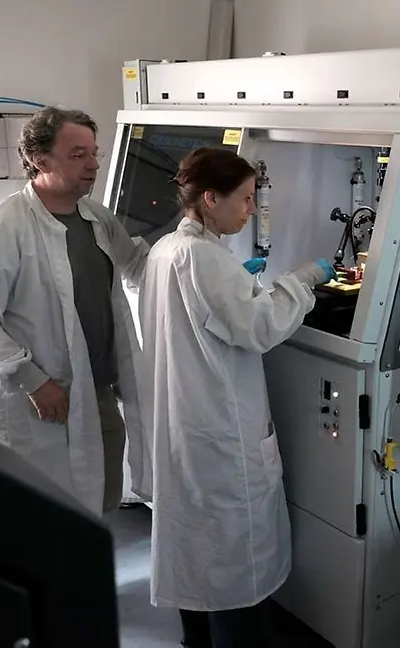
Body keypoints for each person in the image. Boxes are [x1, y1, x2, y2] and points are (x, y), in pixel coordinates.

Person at [138, 147, 335, 647]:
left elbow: (204, 313)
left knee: (194, 554)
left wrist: (238, 283)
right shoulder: (204, 258)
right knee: (233, 562)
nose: (251, 209)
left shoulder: (167, 249)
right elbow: (262, 326)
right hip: (220, 436)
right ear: (210, 198)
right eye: (245, 199)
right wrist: (305, 279)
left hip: (186, 429)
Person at [0, 106, 149, 516]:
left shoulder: (98, 219)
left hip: (98, 392)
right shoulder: (0, 227)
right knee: (43, 519)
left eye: (94, 153)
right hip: (38, 399)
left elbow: (140, 267)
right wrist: (33, 381)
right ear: (39, 160)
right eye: (78, 155)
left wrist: (195, 247)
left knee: (100, 508)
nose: (93, 165)